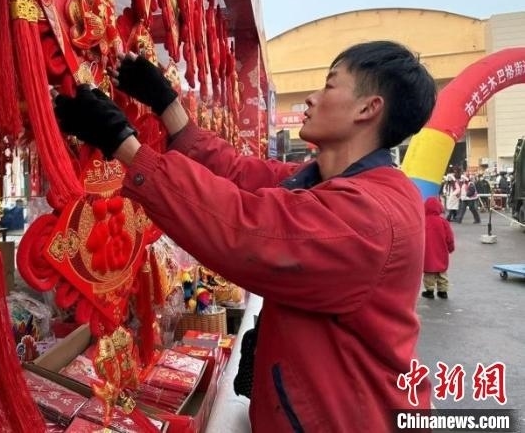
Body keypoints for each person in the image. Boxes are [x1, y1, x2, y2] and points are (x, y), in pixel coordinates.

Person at [54, 40, 437, 431]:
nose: (311, 98)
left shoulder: (370, 216)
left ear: (368, 108)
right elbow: (238, 174)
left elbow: (245, 229)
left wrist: (124, 144)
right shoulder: (328, 181)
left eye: (330, 85)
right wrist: (166, 104)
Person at [421, 197, 456, 299]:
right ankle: (443, 291)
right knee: (442, 272)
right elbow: (449, 237)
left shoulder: (423, 221)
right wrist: (451, 247)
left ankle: (430, 290)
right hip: (441, 251)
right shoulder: (443, 222)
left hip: (427, 252)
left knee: (429, 272)